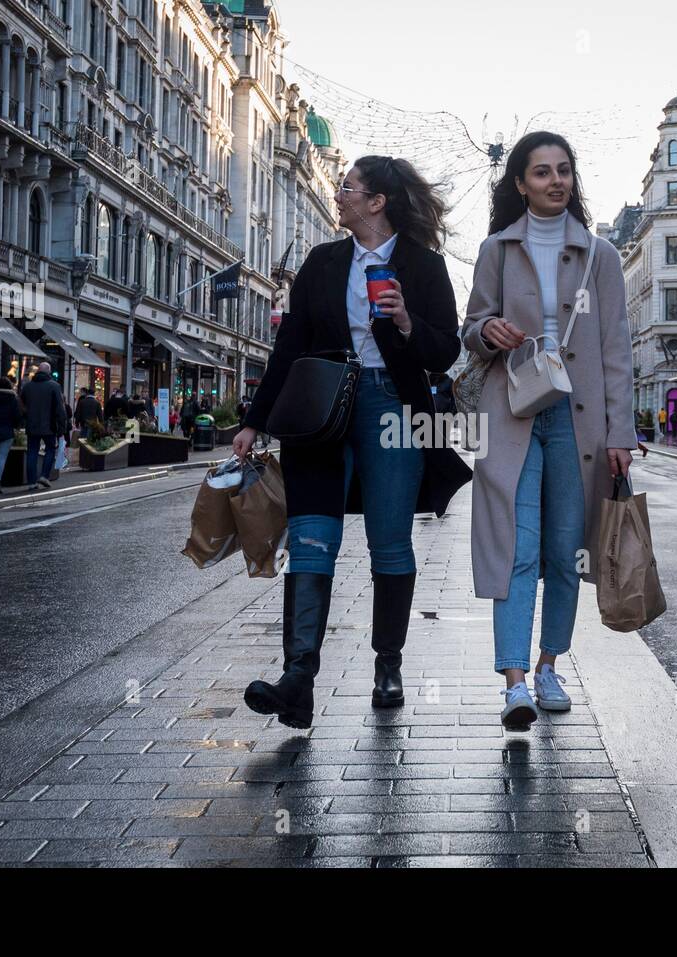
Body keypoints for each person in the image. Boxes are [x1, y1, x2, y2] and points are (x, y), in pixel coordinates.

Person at [234, 154, 471, 730]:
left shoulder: (423, 265)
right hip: (320, 408)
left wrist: (409, 323)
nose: (338, 196)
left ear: (377, 201)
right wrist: (255, 420)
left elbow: (446, 351)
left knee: (390, 541)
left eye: (347, 188)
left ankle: (387, 666)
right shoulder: (323, 261)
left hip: (392, 405)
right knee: (312, 540)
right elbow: (288, 347)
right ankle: (298, 680)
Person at [460, 131, 636, 731]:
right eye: (541, 172)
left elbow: (616, 348)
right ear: (520, 184)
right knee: (516, 544)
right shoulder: (496, 250)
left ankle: (549, 666)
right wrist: (490, 332)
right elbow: (472, 326)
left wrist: (621, 434)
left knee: (566, 550)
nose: (555, 180)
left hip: (579, 419)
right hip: (512, 409)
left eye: (564, 170)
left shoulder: (600, 255)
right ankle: (513, 682)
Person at [19, 361, 67, 490]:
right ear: (49, 372)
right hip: (49, 426)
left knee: (32, 452)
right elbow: (60, 409)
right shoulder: (54, 386)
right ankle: (44, 475)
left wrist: (25, 418)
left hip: (32, 425)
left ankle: (31, 481)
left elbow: (21, 406)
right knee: (50, 450)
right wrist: (62, 427)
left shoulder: (28, 387)